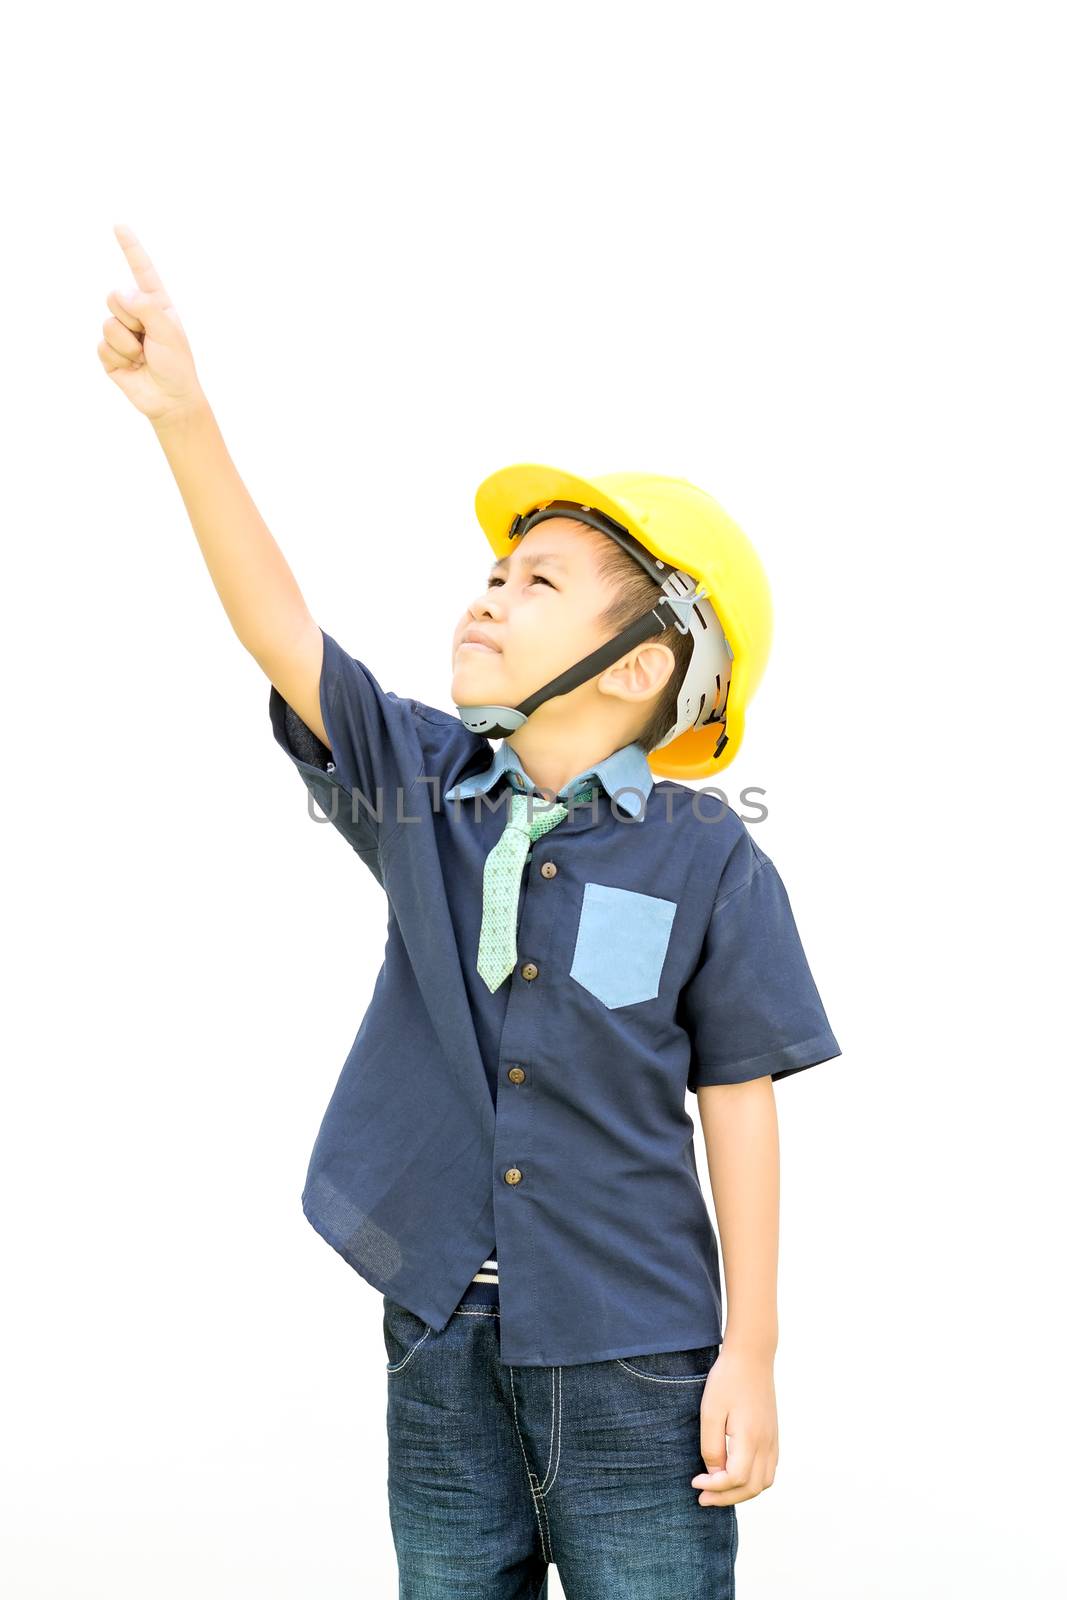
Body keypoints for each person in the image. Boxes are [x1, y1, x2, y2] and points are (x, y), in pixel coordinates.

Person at [100, 223, 844, 1600]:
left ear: (640, 668)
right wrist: (186, 421)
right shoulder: (427, 790)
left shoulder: (709, 861)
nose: (489, 596)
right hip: (439, 1323)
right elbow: (283, 631)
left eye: (537, 582)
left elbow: (741, 1097)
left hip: (639, 1354)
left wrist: (754, 1351)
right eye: (495, 574)